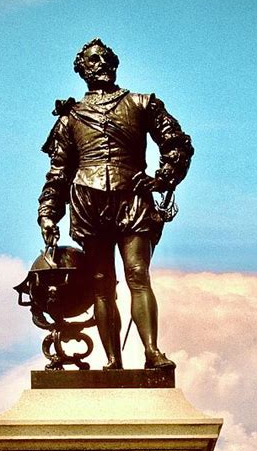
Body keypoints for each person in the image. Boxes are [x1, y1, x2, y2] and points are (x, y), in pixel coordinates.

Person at [37, 38, 193, 369]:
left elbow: (176, 143)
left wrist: (163, 178)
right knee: (101, 283)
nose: (100, 65)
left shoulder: (141, 103)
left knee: (138, 273)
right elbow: (58, 173)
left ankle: (152, 352)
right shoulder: (70, 119)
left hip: (131, 196)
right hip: (88, 201)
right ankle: (113, 362)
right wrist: (48, 214)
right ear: (81, 70)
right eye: (92, 61)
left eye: (105, 59)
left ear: (114, 63)